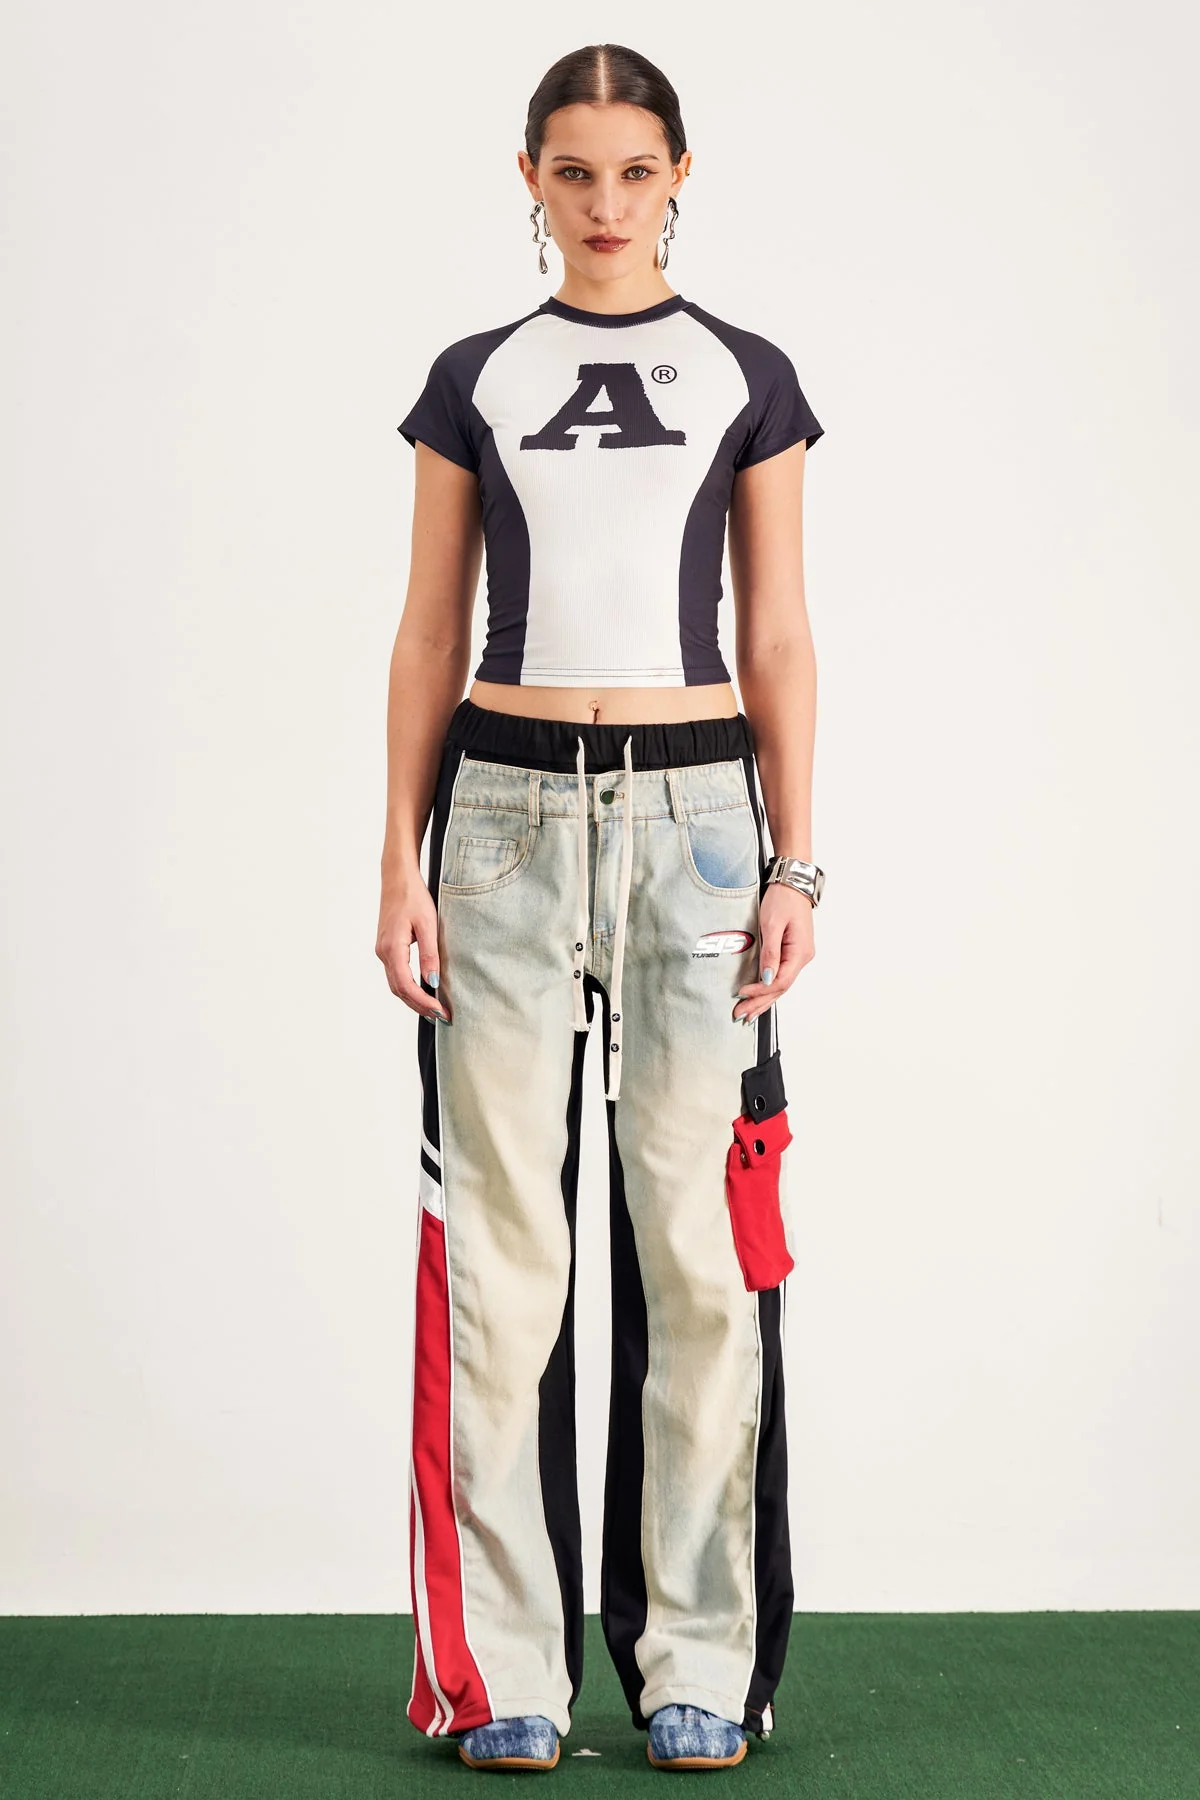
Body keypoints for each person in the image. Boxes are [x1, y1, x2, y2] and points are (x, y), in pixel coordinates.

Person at [377, 42, 825, 1775]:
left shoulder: (748, 376)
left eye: (637, 171)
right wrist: (398, 858)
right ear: (531, 181)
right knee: (504, 1257)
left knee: (700, 1253)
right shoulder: (474, 377)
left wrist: (795, 860)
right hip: (499, 820)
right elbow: (431, 627)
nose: (608, 204)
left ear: (681, 175)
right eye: (575, 172)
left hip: (701, 827)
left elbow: (776, 631)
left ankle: (698, 1653)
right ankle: (508, 1670)